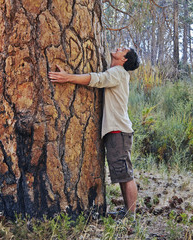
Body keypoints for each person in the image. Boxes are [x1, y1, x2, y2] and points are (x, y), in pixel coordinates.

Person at [48, 47, 140, 218]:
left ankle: (131, 217)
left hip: (119, 131)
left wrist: (68, 78)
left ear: (124, 59)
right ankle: (128, 212)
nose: (118, 48)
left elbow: (98, 79)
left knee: (126, 175)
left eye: (123, 50)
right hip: (116, 131)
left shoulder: (118, 72)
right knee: (122, 173)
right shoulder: (117, 72)